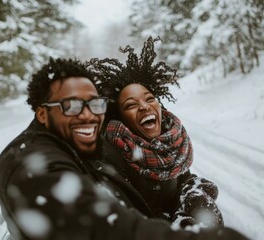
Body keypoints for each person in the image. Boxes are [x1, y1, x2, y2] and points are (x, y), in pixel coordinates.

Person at [0, 57, 248, 239]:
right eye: (71, 105)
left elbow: (178, 185)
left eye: (94, 105)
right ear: (42, 113)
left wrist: (194, 200)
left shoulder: (83, 146)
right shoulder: (30, 157)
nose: (87, 116)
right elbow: (102, 226)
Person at [86, 36, 223, 229]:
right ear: (121, 118)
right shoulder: (108, 159)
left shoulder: (167, 145)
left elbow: (183, 180)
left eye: (149, 98)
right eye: (131, 104)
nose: (144, 106)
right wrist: (175, 227)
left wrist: (195, 196)